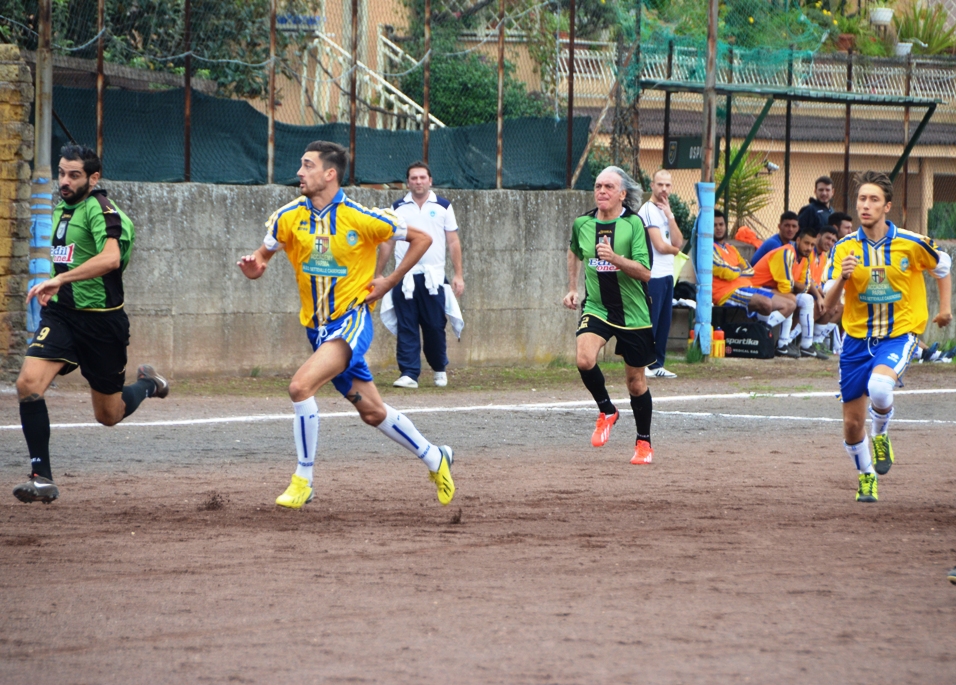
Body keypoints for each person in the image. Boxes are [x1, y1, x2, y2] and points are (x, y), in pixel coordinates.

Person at [237, 141, 455, 509]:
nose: (300, 173)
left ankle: (303, 479)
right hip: (317, 330)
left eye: (307, 166)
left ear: (329, 174)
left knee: (299, 387)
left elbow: (423, 238)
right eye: (301, 166)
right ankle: (436, 457)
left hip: (351, 321)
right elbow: (262, 256)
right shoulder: (287, 217)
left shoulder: (361, 216)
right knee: (372, 412)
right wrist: (255, 268)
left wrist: (389, 280)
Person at [12, 145, 169, 504]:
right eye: (62, 173)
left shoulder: (103, 210)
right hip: (63, 318)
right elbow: (67, 260)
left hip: (102, 325)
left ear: (93, 178)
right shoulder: (60, 211)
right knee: (28, 383)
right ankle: (42, 478)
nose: (64, 182)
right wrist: (56, 284)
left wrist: (60, 281)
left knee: (109, 414)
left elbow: (111, 258)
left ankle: (148, 384)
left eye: (74, 175)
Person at [822, 171, 951, 503]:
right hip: (855, 341)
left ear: (887, 206)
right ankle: (867, 477)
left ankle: (881, 435)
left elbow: (943, 264)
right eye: (862, 199)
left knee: (880, 386)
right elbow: (827, 302)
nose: (865, 206)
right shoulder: (844, 249)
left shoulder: (910, 242)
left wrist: (945, 308)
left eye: (873, 199)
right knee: (852, 425)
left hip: (899, 333)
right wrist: (843, 278)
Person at [563, 166, 657, 466]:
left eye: (608, 187)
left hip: (633, 313)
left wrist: (616, 259)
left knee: (635, 383)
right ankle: (606, 410)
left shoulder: (634, 225)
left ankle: (644, 443)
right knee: (584, 359)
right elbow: (574, 251)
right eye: (598, 186)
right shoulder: (582, 223)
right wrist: (572, 288)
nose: (601, 191)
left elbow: (645, 272)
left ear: (622, 194)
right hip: (597, 307)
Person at [376, 161, 464, 389]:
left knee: (435, 325)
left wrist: (458, 274)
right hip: (404, 277)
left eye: (422, 177)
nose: (418, 182)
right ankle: (409, 373)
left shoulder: (443, 206)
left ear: (430, 180)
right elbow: (387, 242)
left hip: (434, 277)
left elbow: (453, 241)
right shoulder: (397, 208)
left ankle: (439, 368)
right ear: (407, 182)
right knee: (407, 325)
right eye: (413, 178)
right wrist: (379, 273)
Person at [711, 210, 796, 332]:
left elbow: (749, 270)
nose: (718, 228)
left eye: (721, 224)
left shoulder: (731, 248)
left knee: (790, 304)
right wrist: (738, 270)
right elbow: (724, 270)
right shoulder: (709, 247)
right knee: (765, 303)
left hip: (746, 287)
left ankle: (763, 332)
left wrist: (735, 271)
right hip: (726, 292)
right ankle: (761, 333)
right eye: (714, 225)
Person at [751, 228, 828, 359]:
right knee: (791, 299)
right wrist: (796, 285)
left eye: (812, 245)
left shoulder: (805, 257)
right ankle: (769, 336)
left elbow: (805, 285)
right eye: (806, 243)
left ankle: (806, 345)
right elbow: (786, 286)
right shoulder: (787, 252)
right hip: (756, 287)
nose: (809, 248)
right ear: (798, 240)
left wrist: (796, 285)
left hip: (774, 289)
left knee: (807, 299)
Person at [637, 169, 684, 379]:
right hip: (652, 274)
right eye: (660, 184)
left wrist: (670, 215)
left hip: (667, 274)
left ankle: (658, 364)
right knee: (651, 321)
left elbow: (677, 241)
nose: (664, 189)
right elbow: (661, 246)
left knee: (664, 321)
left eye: (667, 185)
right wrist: (676, 251)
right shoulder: (647, 210)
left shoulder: (665, 210)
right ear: (652, 186)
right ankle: (644, 364)